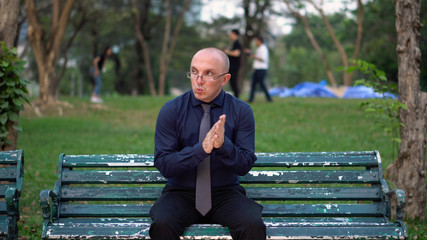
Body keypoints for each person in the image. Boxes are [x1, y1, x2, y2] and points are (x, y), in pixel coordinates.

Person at [150, 47, 266, 240]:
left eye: (209, 74)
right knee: (163, 224)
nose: (199, 80)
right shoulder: (171, 110)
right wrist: (201, 150)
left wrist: (223, 145)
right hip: (180, 193)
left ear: (225, 79)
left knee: (252, 224)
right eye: (194, 72)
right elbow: (164, 164)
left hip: (225, 192)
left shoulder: (241, 111)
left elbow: (245, 164)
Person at [247, 36, 272, 103]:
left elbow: (262, 59)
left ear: (259, 41)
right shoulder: (259, 49)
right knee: (253, 84)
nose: (255, 43)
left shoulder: (263, 48)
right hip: (257, 69)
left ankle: (269, 98)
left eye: (256, 41)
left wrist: (253, 56)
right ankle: (251, 99)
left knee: (262, 84)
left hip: (261, 69)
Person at [224, 29, 242, 98]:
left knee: (233, 82)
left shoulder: (237, 43)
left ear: (234, 34)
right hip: (233, 66)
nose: (230, 35)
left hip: (234, 66)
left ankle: (237, 98)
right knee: (232, 82)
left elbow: (237, 53)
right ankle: (236, 97)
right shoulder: (234, 43)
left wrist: (228, 52)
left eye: (231, 34)